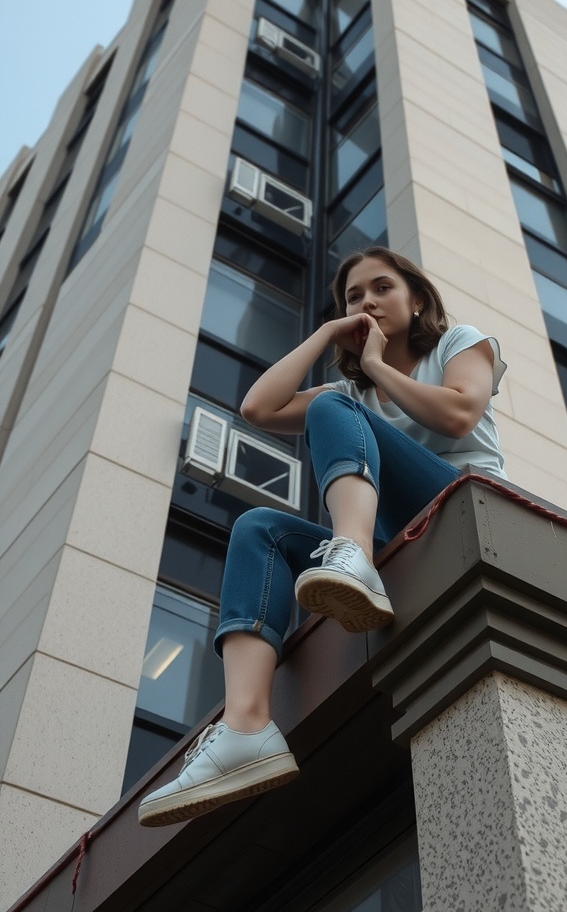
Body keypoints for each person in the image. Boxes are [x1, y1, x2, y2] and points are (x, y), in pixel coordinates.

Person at [138, 246, 507, 827]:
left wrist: (379, 367)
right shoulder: (349, 394)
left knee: (332, 410)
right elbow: (258, 407)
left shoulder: (460, 342)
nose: (367, 302)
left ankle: (353, 553)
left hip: (469, 507)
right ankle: (246, 727)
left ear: (417, 299)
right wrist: (329, 334)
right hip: (396, 542)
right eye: (354, 297)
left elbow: (459, 415)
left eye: (382, 288)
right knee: (259, 526)